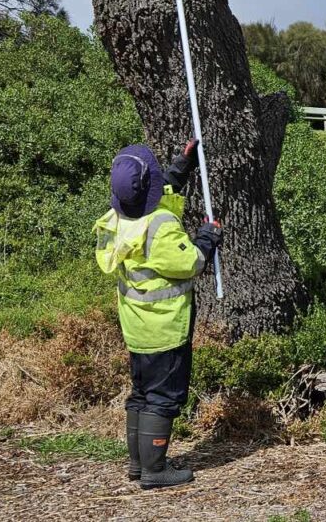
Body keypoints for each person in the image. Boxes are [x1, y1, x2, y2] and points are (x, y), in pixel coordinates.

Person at [93, 140, 223, 490]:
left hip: (136, 326)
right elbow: (190, 263)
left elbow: (158, 190)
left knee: (142, 393)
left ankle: (137, 465)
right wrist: (207, 239)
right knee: (164, 397)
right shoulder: (160, 225)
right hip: (165, 327)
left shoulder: (118, 218)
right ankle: (155, 470)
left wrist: (182, 165)